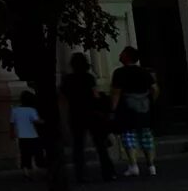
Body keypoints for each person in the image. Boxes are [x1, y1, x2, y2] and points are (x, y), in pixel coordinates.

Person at [62, 52, 117, 181]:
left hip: (76, 114)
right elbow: (95, 95)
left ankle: (80, 174)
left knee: (78, 145)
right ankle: (108, 172)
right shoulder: (89, 77)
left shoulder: (68, 79)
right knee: (100, 144)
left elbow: (64, 96)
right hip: (91, 113)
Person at [112, 45, 160, 176]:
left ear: (127, 56)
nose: (119, 55)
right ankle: (151, 166)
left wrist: (113, 109)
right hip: (144, 108)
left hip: (126, 109)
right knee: (146, 136)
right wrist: (150, 102)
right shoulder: (144, 72)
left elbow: (116, 93)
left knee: (129, 136)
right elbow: (155, 89)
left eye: (122, 53)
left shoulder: (119, 73)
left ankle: (134, 165)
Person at [10, 87, 43, 171]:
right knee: (35, 152)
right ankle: (34, 168)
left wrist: (12, 133)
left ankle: (26, 172)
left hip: (21, 136)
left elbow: (12, 123)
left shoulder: (15, 110)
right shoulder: (32, 110)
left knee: (24, 154)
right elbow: (37, 121)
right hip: (32, 135)